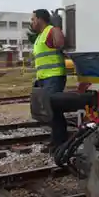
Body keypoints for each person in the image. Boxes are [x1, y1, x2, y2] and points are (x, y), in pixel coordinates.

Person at [30, 9, 68, 150]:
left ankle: (60, 142)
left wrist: (57, 25)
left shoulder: (51, 30)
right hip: (44, 78)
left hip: (54, 76)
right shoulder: (40, 36)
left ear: (40, 19)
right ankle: (57, 140)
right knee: (51, 110)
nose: (32, 22)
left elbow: (59, 43)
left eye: (33, 19)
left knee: (52, 108)